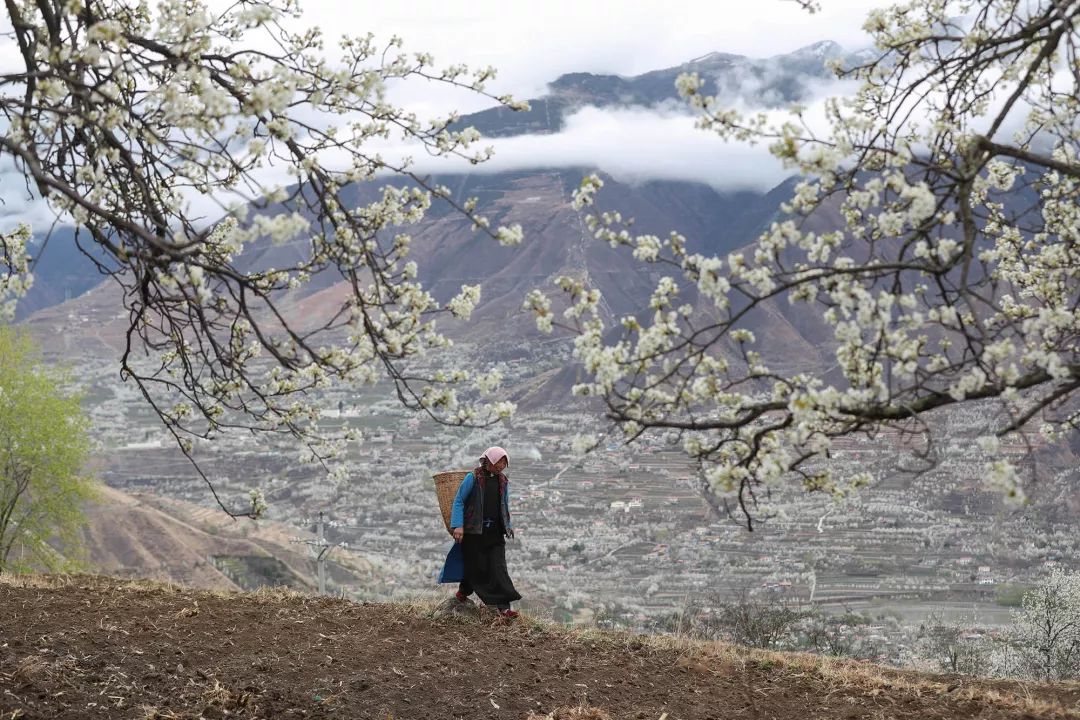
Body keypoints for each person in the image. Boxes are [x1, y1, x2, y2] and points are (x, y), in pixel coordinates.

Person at [437, 446, 521, 618]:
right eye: (499, 462)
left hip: (495, 534)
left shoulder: (503, 481)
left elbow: (504, 504)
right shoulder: (473, 478)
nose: (501, 466)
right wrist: (458, 526)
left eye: (504, 462)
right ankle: (463, 593)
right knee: (476, 567)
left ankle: (504, 608)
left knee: (499, 569)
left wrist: (508, 525)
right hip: (474, 533)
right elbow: (459, 501)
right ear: (488, 461)